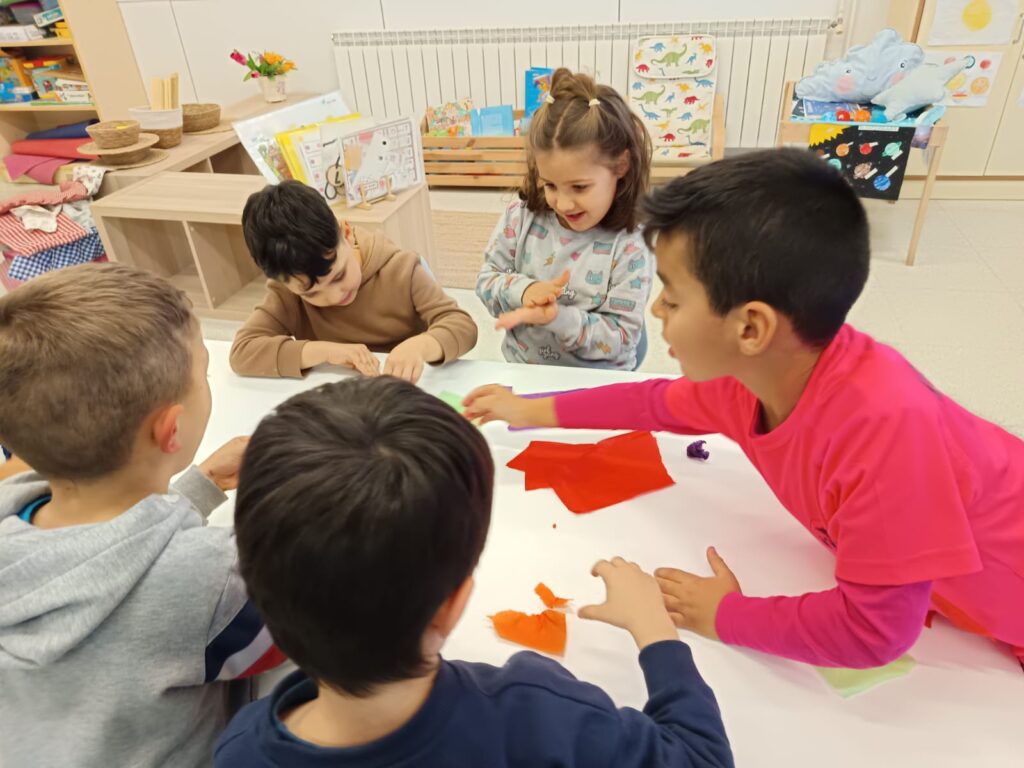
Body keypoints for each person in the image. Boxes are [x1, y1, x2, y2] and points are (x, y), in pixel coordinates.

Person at [465, 148, 1024, 670]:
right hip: (962, 598)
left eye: (673, 297)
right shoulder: (754, 378)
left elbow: (873, 631)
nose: (656, 310)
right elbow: (651, 402)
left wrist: (725, 615)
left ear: (751, 327)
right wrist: (529, 408)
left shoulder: (886, 435)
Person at [216, 377, 733, 767]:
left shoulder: (239, 749)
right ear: (454, 602)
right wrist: (655, 632)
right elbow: (701, 757)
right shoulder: (532, 714)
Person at [0, 263, 283, 767]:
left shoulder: (13, 507)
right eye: (204, 373)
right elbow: (301, 632)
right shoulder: (209, 575)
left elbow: (103, 548)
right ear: (171, 429)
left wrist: (198, 487)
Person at [476, 68, 653, 370]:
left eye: (580, 187)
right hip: (524, 368)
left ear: (621, 165)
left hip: (599, 381)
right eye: (550, 185)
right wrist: (524, 291)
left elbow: (622, 338)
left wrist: (559, 319)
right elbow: (486, 281)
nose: (563, 203)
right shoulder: (521, 216)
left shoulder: (632, 244)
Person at [231, 180, 477, 383]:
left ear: (346, 233)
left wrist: (420, 346)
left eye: (338, 276)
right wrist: (326, 351)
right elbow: (243, 352)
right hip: (341, 397)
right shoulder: (288, 292)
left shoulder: (402, 269)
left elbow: (462, 327)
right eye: (312, 294)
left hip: (405, 391)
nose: (335, 296)